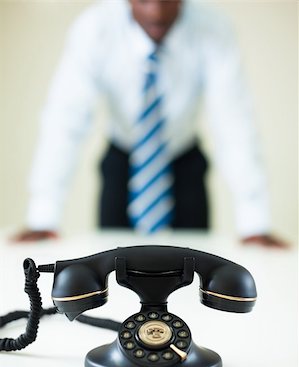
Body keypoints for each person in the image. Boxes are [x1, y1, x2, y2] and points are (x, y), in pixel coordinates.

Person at [13, 0, 286, 246]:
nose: (156, 12)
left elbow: (233, 120)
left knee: (193, 272)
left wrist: (254, 220)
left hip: (186, 165)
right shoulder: (93, 28)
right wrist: (44, 214)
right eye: (144, 0)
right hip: (121, 164)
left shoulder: (214, 29)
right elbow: (66, 119)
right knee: (114, 269)